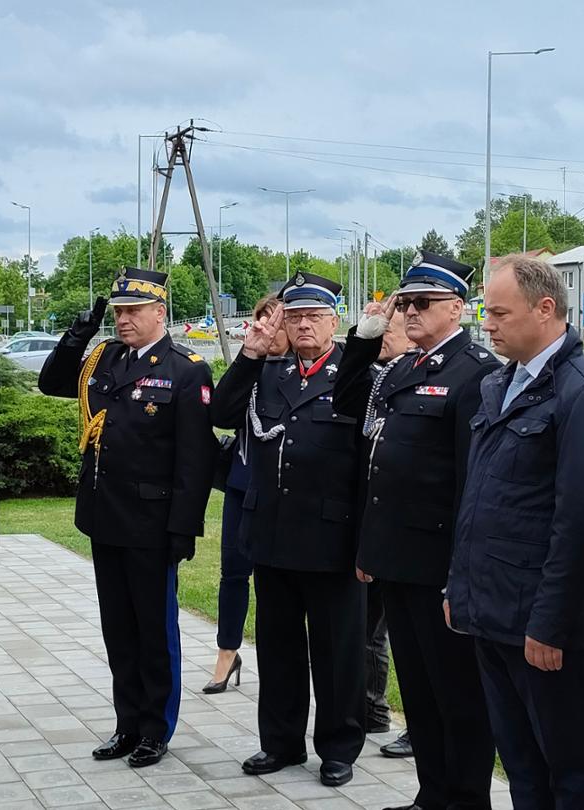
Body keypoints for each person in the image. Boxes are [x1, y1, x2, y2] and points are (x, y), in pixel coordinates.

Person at [332, 251, 500, 810]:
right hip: (397, 560)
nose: (409, 312)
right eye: (404, 302)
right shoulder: (405, 369)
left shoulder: (472, 374)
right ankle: (432, 795)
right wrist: (364, 335)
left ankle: (466, 798)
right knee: (421, 694)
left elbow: (467, 486)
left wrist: (461, 575)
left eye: (422, 303)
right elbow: (352, 409)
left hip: (439, 566)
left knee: (458, 696)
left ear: (457, 307)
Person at [448, 255, 584, 809]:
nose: (486, 324)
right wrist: (458, 585)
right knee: (519, 759)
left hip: (540, 625)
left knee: (567, 764)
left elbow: (577, 520)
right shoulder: (501, 382)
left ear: (546, 309)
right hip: (491, 608)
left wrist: (550, 624)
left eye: (498, 312)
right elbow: (479, 499)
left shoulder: (581, 390)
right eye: (483, 312)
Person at [36, 267, 213, 768]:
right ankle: (127, 723)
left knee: (154, 631)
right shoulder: (104, 357)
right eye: (118, 311)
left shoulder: (186, 369)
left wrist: (183, 528)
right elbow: (52, 383)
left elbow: (194, 461)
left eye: (134, 311)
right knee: (119, 629)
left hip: (152, 525)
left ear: (161, 312)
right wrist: (79, 332)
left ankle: (156, 728)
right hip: (105, 517)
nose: (124, 319)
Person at [212, 273, 368, 787]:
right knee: (277, 649)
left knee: (337, 652)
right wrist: (251, 353)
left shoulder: (356, 372)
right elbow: (223, 413)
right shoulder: (269, 371)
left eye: (314, 317)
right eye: (294, 316)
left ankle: (339, 748)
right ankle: (280, 744)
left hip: (332, 539)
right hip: (272, 536)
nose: (303, 325)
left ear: (334, 322)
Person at [207, 295, 285, 696]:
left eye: (275, 322)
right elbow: (220, 413)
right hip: (243, 483)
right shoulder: (251, 368)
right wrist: (247, 358)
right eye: (260, 321)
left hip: (284, 492)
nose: (267, 329)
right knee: (233, 574)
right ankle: (226, 652)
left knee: (281, 584)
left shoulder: (300, 371)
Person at [369, 306, 414, 759]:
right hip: (375, 528)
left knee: (385, 633)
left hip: (412, 536)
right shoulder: (379, 377)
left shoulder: (408, 376)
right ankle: (371, 708)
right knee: (374, 631)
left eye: (389, 329)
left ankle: (380, 712)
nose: (382, 336)